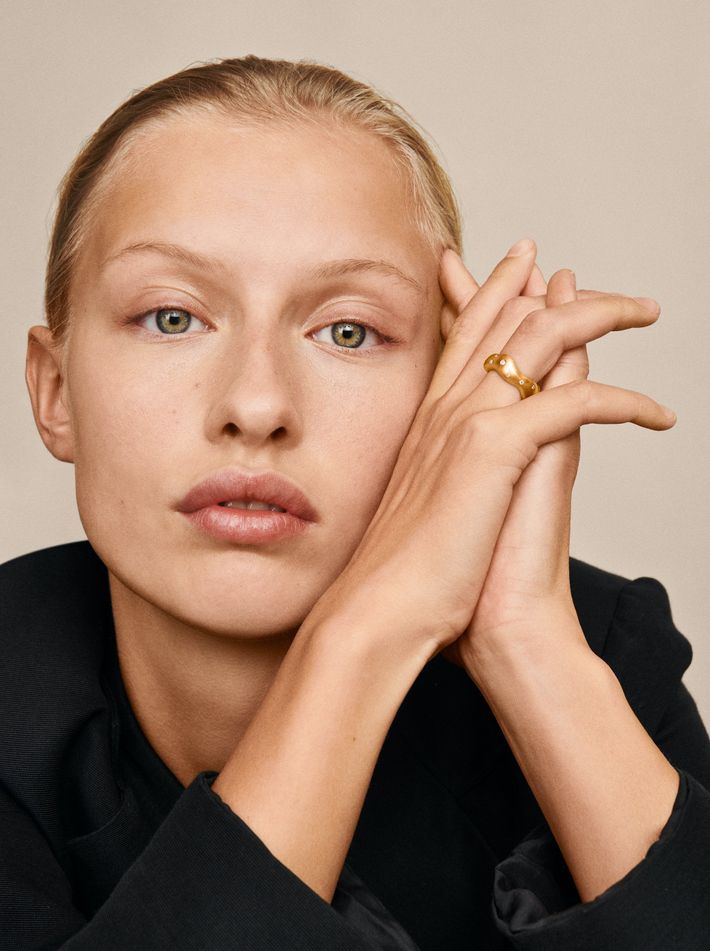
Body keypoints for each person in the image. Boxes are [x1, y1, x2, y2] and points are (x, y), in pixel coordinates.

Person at [2, 54, 709, 951]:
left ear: (442, 397)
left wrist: (523, 642)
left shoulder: (594, 646)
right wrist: (366, 632)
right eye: (173, 317)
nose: (256, 406)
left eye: (348, 331)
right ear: (55, 391)